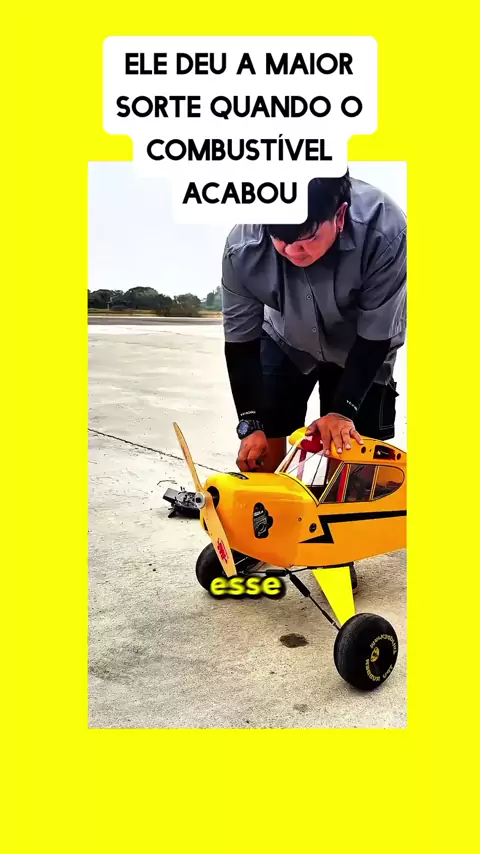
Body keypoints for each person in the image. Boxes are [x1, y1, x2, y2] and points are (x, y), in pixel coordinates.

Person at [221, 171, 406, 590]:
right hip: (286, 337)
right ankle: (262, 532)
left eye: (306, 238)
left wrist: (342, 411)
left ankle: (334, 547)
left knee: (348, 450)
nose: (292, 251)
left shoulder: (386, 229)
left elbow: (376, 335)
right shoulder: (241, 246)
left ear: (339, 216)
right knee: (266, 434)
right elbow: (241, 342)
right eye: (280, 240)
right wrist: (251, 422)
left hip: (361, 346)